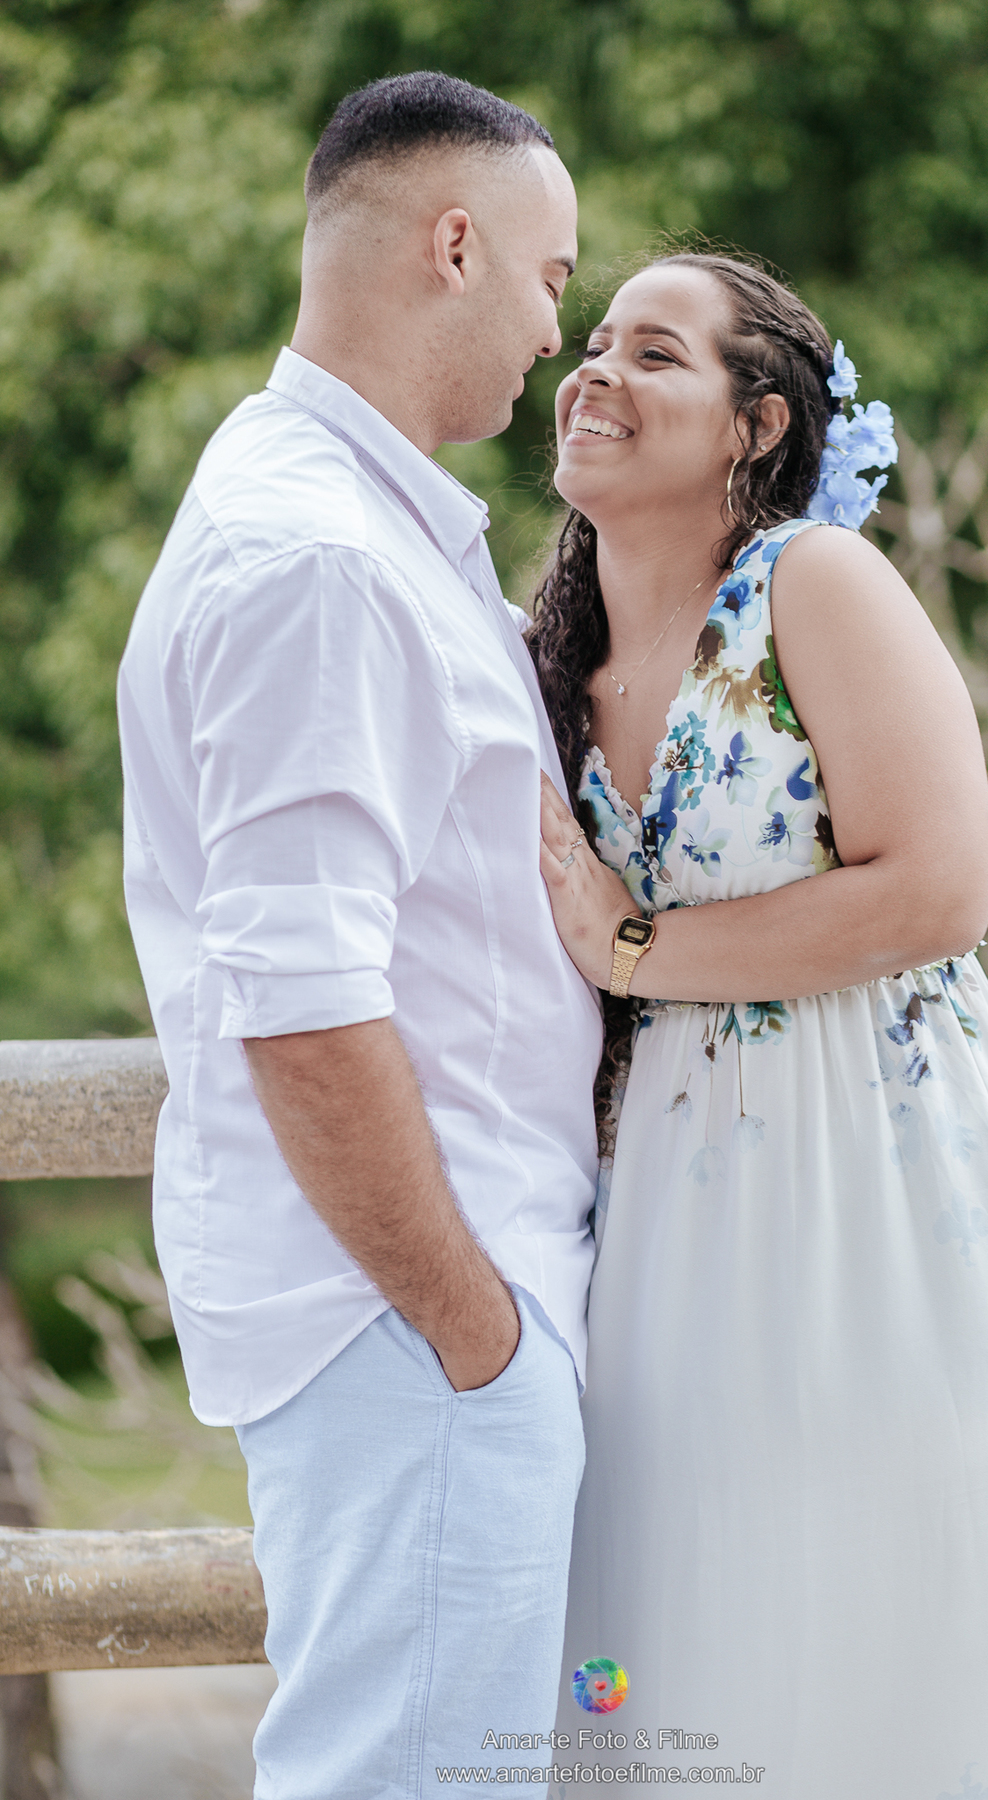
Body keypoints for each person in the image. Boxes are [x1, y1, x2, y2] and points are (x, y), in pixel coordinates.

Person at [530, 253, 988, 1798]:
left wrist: (634, 939)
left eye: (653, 353)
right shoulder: (551, 661)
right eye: (592, 344)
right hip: (675, 1241)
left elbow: (943, 885)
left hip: (896, 1212)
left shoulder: (814, 583)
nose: (593, 372)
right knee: (680, 1653)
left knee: (879, 1663)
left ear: (757, 423)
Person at [117, 73, 601, 1796]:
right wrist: (475, 1334)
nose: (563, 331)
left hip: (434, 1316)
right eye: (556, 278)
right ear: (453, 244)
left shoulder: (365, 528)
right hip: (413, 1327)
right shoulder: (315, 560)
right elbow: (300, 996)